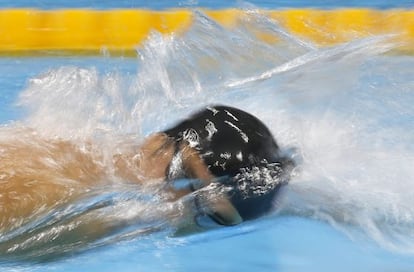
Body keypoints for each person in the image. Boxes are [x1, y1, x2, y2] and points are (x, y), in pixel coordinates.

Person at [0, 105, 293, 235]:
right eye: (180, 175)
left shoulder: (112, 199)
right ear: (157, 142)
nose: (176, 200)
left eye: (209, 212)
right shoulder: (56, 185)